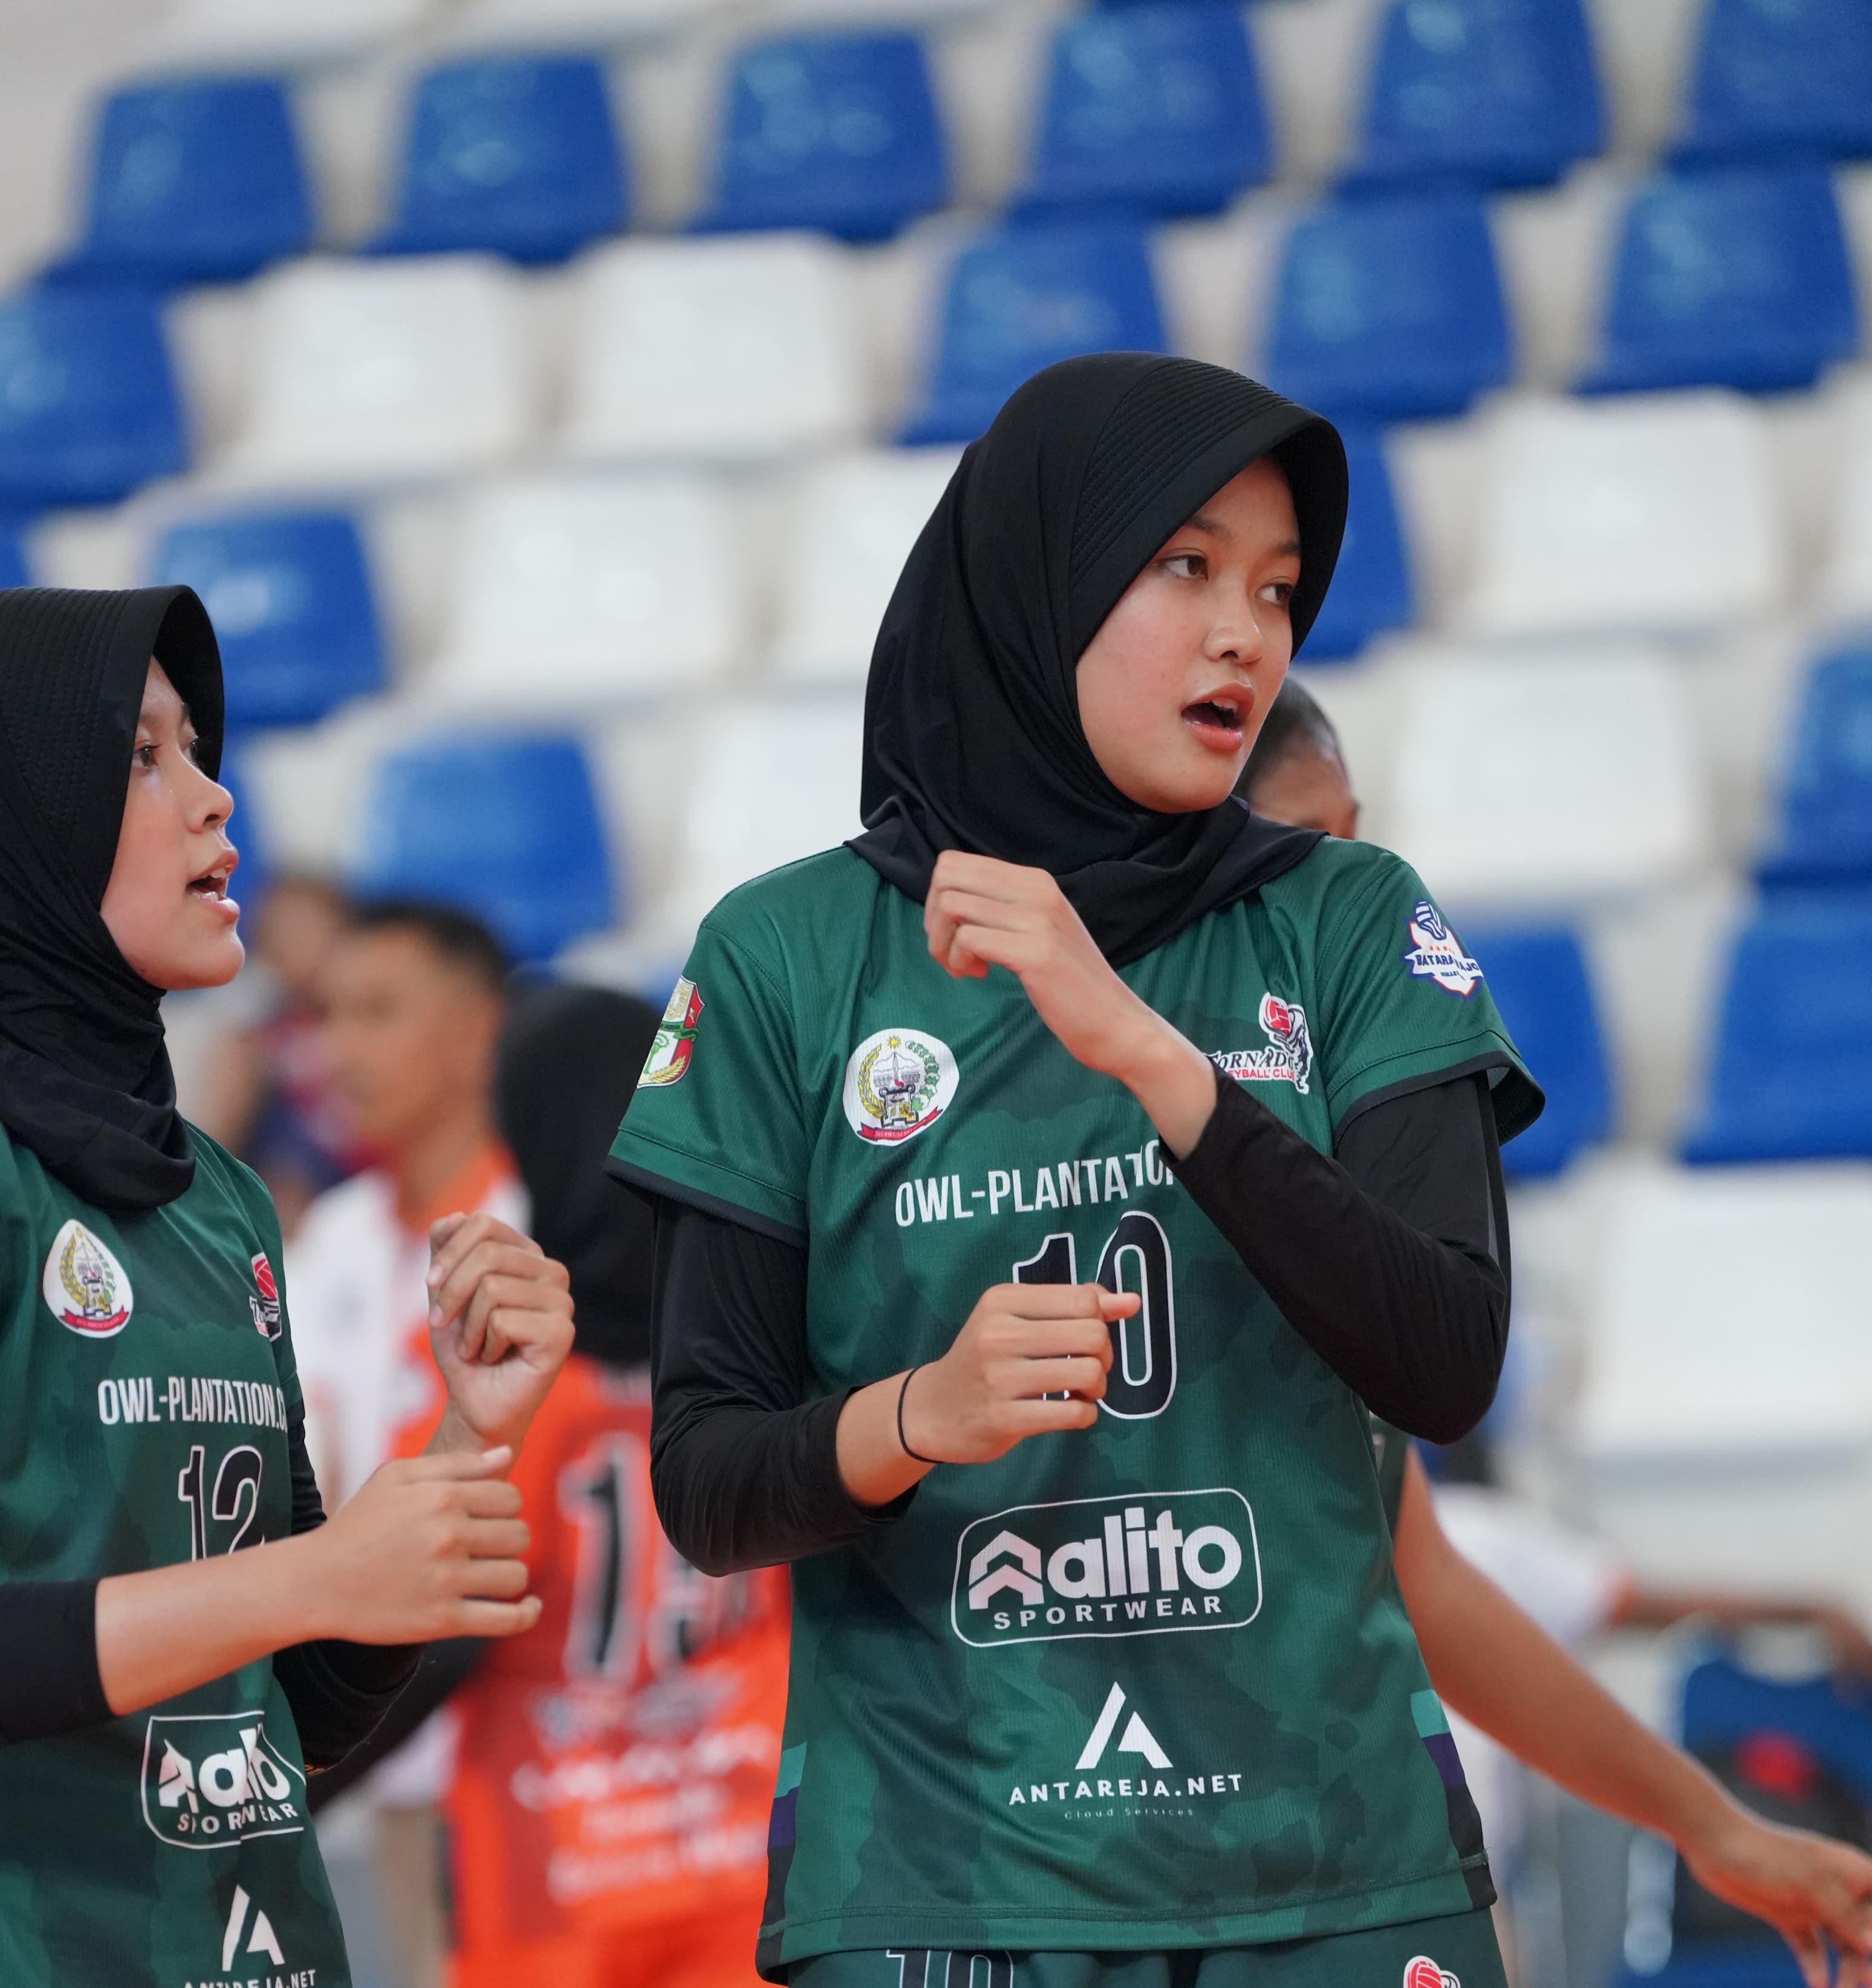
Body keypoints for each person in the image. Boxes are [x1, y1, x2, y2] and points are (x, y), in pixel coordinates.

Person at [611, 353, 1545, 1985]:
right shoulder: (785, 956)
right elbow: (703, 1476)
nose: (1246, 630)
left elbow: (1447, 1355)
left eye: (1275, 585)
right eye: (1184, 565)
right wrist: (923, 1414)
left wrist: (1156, 1057)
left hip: (1333, 1870)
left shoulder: (1348, 918)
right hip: (940, 1883)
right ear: (1036, 579)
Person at [0, 585, 575, 1987]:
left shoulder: (218, 1192)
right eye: (142, 756)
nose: (213, 798)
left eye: (196, 747)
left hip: (244, 1944)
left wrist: (461, 1433)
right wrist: (317, 1571)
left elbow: (293, 1709)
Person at [1239, 676, 1872, 1981]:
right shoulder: (1013, 1196)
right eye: (1302, 858)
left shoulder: (1325, 1237)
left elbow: (1431, 1585)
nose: (1357, 901)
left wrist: (1715, 1825)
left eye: (1362, 846)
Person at [313, 985, 791, 1988]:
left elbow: (425, 1630)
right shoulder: (765, 1341)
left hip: (556, 1877)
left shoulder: (508, 1359)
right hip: (740, 1860)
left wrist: (278, 1797)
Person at [282, 899, 525, 1988]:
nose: (339, 1049)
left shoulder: (550, 1222)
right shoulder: (321, 1243)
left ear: (478, 1031)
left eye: (378, 1012)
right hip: (386, 1760)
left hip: (533, 1747)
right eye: (328, 1015)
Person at [199, 870, 359, 1232]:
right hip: (283, 1200)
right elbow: (218, 1136)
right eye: (276, 936)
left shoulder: (370, 1033)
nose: (288, 947)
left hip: (357, 1186)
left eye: (303, 932)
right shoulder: (255, 1034)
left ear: (347, 933)